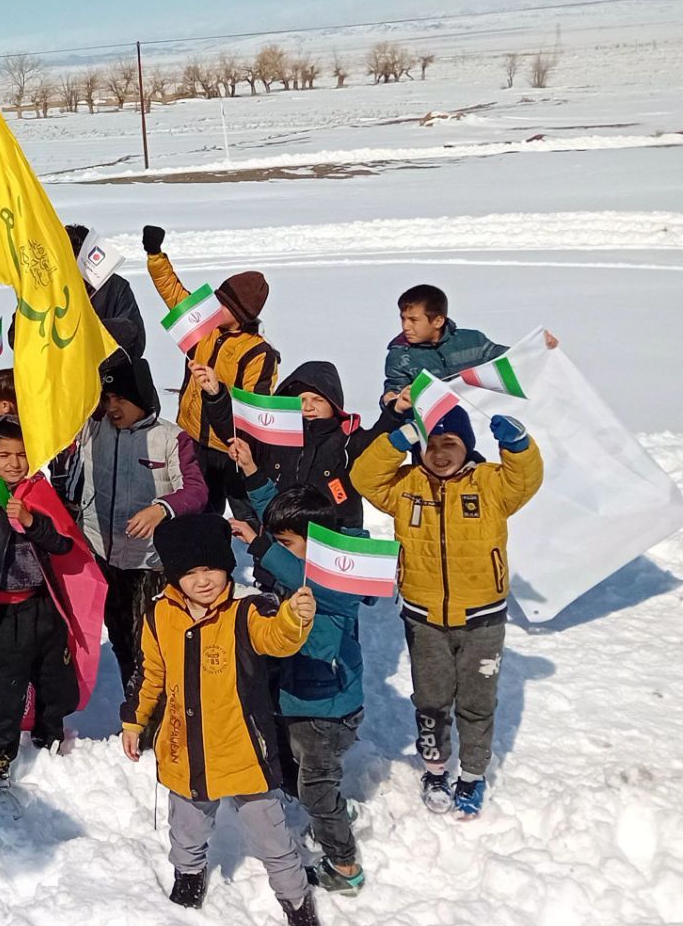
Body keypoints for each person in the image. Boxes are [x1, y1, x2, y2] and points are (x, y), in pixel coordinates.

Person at [122, 513, 333, 926]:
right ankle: (189, 877)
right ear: (175, 574)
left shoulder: (247, 610)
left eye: (211, 570)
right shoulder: (160, 615)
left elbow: (276, 639)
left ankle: (300, 914)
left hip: (242, 751)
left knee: (273, 839)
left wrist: (294, 622)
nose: (202, 581)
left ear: (226, 567)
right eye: (191, 572)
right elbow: (149, 674)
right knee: (187, 827)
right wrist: (134, 721)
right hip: (184, 749)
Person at [351, 400, 543, 819]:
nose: (440, 452)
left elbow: (525, 479)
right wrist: (397, 440)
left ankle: (472, 775)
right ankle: (435, 770)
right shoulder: (405, 486)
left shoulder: (490, 483)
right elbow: (363, 476)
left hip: (483, 619)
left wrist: (519, 445)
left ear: (467, 446)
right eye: (431, 443)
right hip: (424, 619)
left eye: (450, 442)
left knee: (477, 701)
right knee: (432, 698)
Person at [0, 366, 83, 793]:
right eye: (4, 455)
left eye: (22, 455)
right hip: (1, 612)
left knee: (52, 681)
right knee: (5, 695)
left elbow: (63, 545)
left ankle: (48, 736)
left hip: (42, 607)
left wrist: (32, 522)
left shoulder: (39, 493)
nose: (14, 463)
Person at [231, 486, 371, 896]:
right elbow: (292, 529)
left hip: (326, 710)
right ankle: (321, 808)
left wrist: (262, 548)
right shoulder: (307, 569)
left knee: (317, 788)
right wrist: (255, 482)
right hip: (299, 700)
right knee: (300, 767)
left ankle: (344, 865)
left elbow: (315, 645)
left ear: (323, 546)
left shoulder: (341, 584)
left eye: (286, 544)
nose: (280, 550)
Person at [61, 355, 207, 694]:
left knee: (150, 641)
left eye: (121, 399)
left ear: (141, 397)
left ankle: (156, 707)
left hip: (149, 562)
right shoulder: (92, 429)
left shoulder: (171, 438)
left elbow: (196, 491)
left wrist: (162, 509)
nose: (112, 407)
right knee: (121, 635)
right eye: (107, 399)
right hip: (102, 554)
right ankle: (134, 699)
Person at [142, 225, 279, 511]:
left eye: (223, 304)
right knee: (196, 509)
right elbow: (174, 294)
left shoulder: (258, 353)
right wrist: (155, 255)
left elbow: (254, 412)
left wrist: (219, 391)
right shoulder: (205, 326)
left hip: (230, 450)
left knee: (246, 516)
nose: (215, 307)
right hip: (192, 438)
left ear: (242, 314)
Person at [217, 360, 389, 517]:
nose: (308, 407)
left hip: (338, 536)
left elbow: (380, 443)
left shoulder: (349, 438)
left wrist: (394, 413)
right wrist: (215, 396)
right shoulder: (275, 435)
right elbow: (234, 431)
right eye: (301, 400)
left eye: (318, 400)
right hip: (282, 530)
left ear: (334, 403)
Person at [381, 283, 556, 403]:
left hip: (481, 428)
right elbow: (396, 392)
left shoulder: (473, 341)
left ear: (438, 321)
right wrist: (391, 399)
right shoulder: (400, 356)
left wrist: (539, 347)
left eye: (413, 320)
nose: (406, 326)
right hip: (433, 439)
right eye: (403, 319)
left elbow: (511, 359)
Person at [64, 224, 146, 359]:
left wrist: (87, 331)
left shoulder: (115, 287)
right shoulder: (46, 286)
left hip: (105, 372)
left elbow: (135, 340)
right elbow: (19, 335)